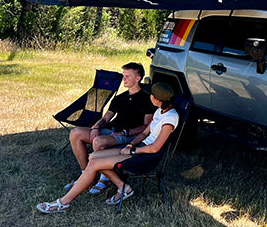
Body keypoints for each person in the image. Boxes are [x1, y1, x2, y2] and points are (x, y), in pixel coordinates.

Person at [37, 82, 179, 213]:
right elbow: (143, 133)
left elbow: (155, 148)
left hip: (146, 156)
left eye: (151, 95)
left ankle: (63, 203)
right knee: (93, 157)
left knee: (95, 163)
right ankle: (124, 188)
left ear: (158, 100)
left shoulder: (170, 118)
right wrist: (130, 144)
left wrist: (132, 150)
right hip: (138, 148)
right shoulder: (159, 111)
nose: (149, 96)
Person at [67, 62, 152, 196]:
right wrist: (96, 127)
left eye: (128, 76)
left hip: (129, 135)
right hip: (112, 130)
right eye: (123, 75)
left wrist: (125, 132)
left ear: (138, 78)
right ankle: (86, 174)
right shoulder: (120, 98)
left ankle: (104, 179)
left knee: (98, 141)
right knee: (75, 133)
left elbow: (146, 126)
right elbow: (106, 119)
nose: (124, 79)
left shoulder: (147, 99)